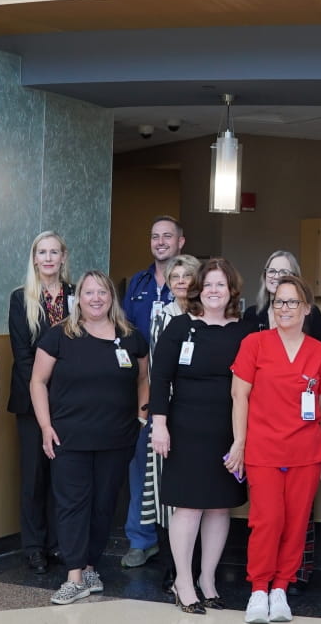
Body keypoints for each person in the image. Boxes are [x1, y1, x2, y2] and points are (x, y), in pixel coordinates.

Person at [30, 270, 149, 605]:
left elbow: (144, 379)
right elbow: (38, 381)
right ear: (77, 298)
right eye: (88, 293)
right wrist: (45, 426)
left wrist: (141, 417)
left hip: (117, 438)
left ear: (112, 298)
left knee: (103, 506)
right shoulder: (59, 336)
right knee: (72, 505)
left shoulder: (131, 337)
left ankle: (90, 567)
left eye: (102, 292)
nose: (96, 298)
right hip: (69, 437)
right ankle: (74, 575)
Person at [231, 275, 321, 624]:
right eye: (279, 302)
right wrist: (240, 443)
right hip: (263, 450)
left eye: (292, 302)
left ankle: (281, 589)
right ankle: (259, 589)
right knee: (267, 520)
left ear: (307, 308)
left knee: (296, 522)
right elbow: (239, 396)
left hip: (306, 452)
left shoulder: (320, 352)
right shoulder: (254, 343)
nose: (284, 308)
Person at [151, 258, 252, 614]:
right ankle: (183, 581)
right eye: (208, 284)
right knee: (190, 504)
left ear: (231, 291)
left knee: (220, 505)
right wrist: (159, 424)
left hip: (228, 429)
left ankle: (208, 579)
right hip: (185, 428)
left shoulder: (244, 330)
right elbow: (160, 378)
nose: (213, 291)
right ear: (199, 289)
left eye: (220, 285)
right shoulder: (180, 327)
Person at [120, 214, 185, 567]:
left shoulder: (192, 281)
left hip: (186, 390)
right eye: (155, 236)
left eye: (167, 236)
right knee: (141, 465)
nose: (160, 242)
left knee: (181, 465)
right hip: (145, 388)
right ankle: (140, 539)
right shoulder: (137, 283)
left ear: (180, 242)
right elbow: (128, 335)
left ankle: (180, 541)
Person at [8, 231, 73, 574]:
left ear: (63, 257)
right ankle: (33, 546)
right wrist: (42, 394)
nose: (48, 258)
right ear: (34, 259)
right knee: (34, 476)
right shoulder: (21, 299)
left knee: (63, 476)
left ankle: (58, 543)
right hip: (33, 401)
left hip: (71, 403)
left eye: (54, 252)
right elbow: (22, 356)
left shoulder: (77, 296)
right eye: (41, 252)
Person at [142, 254, 199, 563]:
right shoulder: (161, 315)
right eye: (174, 276)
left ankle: (196, 564)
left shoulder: (205, 315)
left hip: (198, 412)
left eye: (186, 276)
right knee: (165, 489)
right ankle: (171, 566)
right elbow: (155, 366)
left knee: (196, 490)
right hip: (167, 412)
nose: (179, 282)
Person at [243, 250, 321, 341]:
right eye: (271, 271)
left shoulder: (311, 313)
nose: (276, 276)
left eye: (283, 272)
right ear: (265, 276)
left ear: (295, 277)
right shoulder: (252, 314)